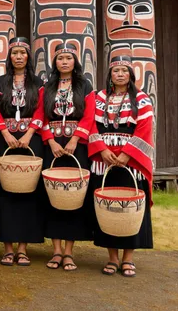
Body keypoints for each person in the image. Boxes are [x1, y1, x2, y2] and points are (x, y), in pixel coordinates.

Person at [89, 55, 154, 277]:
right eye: (115, 71)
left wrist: (127, 154)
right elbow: (91, 124)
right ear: (110, 74)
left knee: (131, 208)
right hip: (104, 160)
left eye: (124, 71)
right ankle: (112, 257)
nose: (119, 74)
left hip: (131, 162)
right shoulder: (99, 97)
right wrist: (102, 150)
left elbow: (145, 127)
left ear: (130, 74)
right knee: (107, 207)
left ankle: (128, 258)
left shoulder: (142, 99)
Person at [42, 43, 95, 271]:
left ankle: (69, 252)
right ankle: (55, 251)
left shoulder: (85, 85)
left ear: (75, 61)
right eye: (60, 58)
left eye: (68, 58)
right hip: (53, 146)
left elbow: (90, 115)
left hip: (76, 146)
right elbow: (40, 115)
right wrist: (51, 141)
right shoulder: (47, 87)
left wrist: (75, 140)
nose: (64, 61)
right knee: (53, 196)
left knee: (73, 197)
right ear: (54, 62)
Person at [0, 37, 46, 266]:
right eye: (14, 53)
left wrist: (28, 134)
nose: (18, 57)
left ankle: (23, 247)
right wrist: (5, 133)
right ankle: (7, 246)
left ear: (28, 57)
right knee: (4, 192)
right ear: (9, 57)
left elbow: (42, 111)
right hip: (4, 139)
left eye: (22, 53)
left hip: (30, 141)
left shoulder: (38, 83)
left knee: (27, 193)